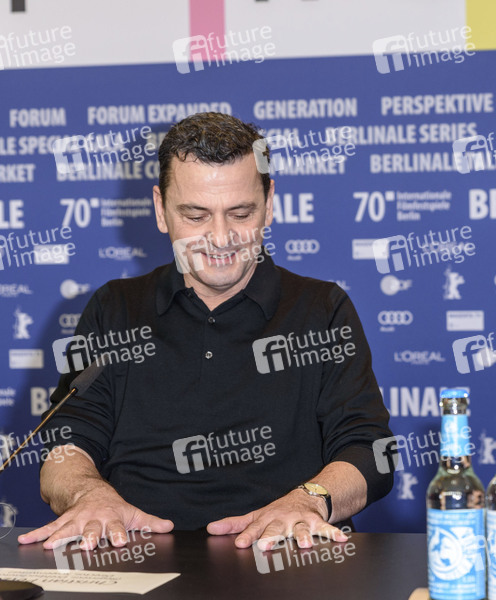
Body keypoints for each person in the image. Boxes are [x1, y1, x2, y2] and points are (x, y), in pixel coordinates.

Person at [19, 112, 394, 551]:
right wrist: (88, 495)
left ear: (269, 204)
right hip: (133, 556)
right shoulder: (113, 308)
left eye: (240, 213)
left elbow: (369, 450)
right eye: (195, 215)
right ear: (160, 209)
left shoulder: (323, 309)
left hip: (283, 557)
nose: (220, 238)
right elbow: (67, 441)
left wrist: (308, 501)